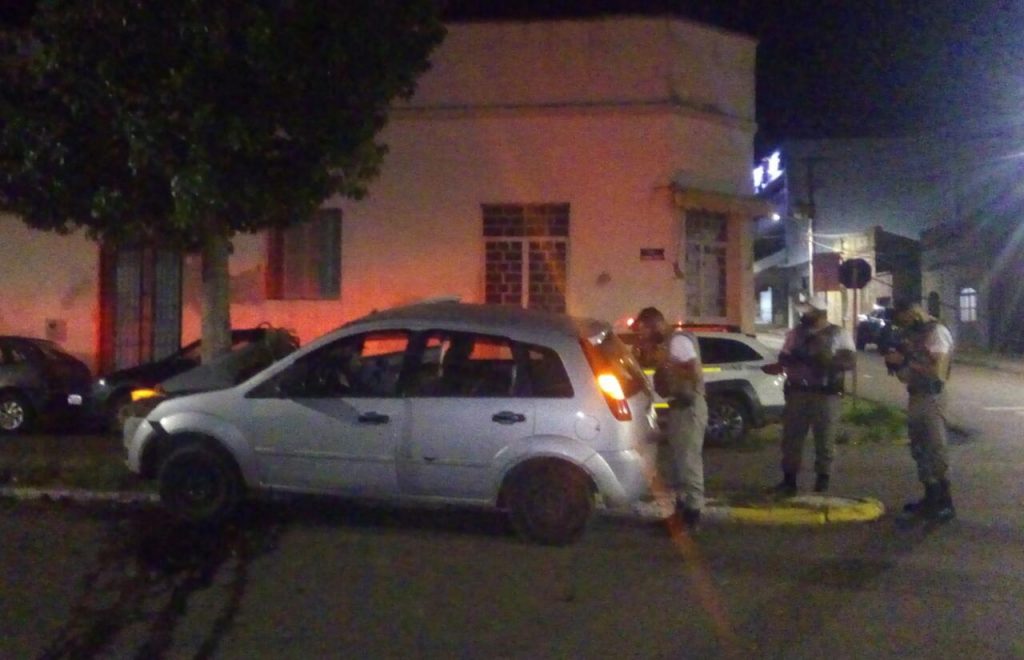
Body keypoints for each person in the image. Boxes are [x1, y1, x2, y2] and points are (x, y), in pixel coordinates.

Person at [633, 306, 707, 531]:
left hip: (688, 407)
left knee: (688, 463)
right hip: (679, 407)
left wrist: (666, 365)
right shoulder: (668, 344)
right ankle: (681, 513)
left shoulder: (678, 341)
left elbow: (692, 372)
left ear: (655, 324)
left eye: (644, 330)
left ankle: (692, 515)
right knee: (679, 464)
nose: (643, 335)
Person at [774, 293, 856, 495]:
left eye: (808, 311)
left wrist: (826, 361)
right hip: (797, 392)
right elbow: (784, 356)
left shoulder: (838, 334)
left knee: (825, 439)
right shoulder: (796, 333)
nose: (803, 315)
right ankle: (789, 481)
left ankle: (822, 482)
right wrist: (793, 359)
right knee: (791, 439)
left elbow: (849, 362)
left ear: (820, 313)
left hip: (826, 394)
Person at [884, 299, 956, 521]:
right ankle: (930, 497)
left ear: (913, 311)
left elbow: (938, 371)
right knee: (919, 448)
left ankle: (945, 502)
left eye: (902, 318)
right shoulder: (913, 335)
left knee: (935, 447)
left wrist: (906, 359)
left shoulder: (937, 332)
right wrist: (896, 364)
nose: (902, 324)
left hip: (932, 396)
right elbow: (906, 374)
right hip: (916, 395)